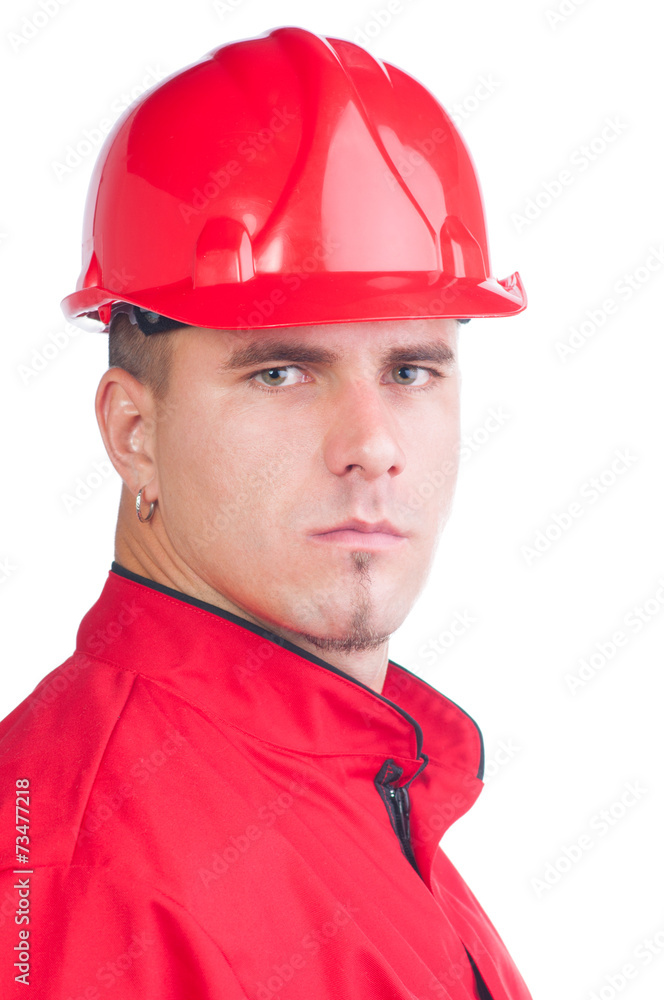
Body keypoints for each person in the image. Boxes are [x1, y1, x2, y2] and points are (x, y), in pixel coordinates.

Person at [0, 25, 531, 999]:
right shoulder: (83, 878)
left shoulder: (351, 791)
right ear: (133, 432)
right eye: (281, 370)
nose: (371, 442)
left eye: (411, 369)